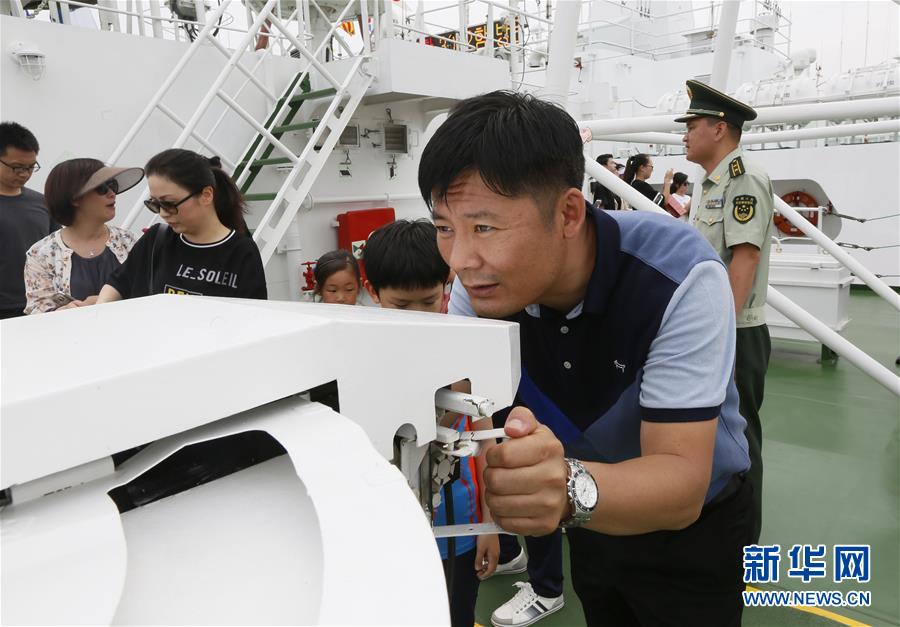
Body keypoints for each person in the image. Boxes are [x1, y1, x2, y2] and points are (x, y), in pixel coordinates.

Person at [420, 90, 752, 627]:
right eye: (444, 228)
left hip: (695, 528)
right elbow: (460, 406)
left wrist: (563, 486)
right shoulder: (477, 291)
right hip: (589, 519)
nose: (459, 261)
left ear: (569, 212)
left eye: (484, 227)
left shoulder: (677, 278)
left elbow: (682, 483)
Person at [362, 218, 500, 627]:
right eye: (402, 305)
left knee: (456, 614)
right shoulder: (358, 358)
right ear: (372, 292)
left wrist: (488, 526)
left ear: (447, 285)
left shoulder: (464, 355)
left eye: (429, 301)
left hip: (458, 527)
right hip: (387, 534)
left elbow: (487, 443)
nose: (418, 315)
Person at [677, 79, 774, 545]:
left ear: (719, 128)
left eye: (692, 124)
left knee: (740, 434)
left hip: (736, 331)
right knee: (710, 430)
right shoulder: (711, 182)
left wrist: (724, 331)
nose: (685, 133)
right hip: (717, 329)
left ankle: (743, 540)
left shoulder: (743, 178)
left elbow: (745, 259)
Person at [97, 149, 266, 302]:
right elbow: (118, 283)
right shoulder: (156, 239)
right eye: (155, 204)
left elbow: (253, 315)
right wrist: (99, 313)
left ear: (206, 195)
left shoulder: (241, 251)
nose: (162, 213)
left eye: (169, 203)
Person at [24, 159, 143, 313]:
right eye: (102, 188)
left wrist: (108, 300)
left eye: (113, 185)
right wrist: (65, 311)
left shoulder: (131, 241)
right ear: (75, 198)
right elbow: (36, 310)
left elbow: (151, 290)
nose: (112, 193)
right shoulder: (41, 254)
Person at [0, 121, 57, 319]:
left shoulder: (42, 202)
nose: (24, 174)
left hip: (39, 305)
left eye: (30, 167)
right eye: (16, 168)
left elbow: (57, 251)